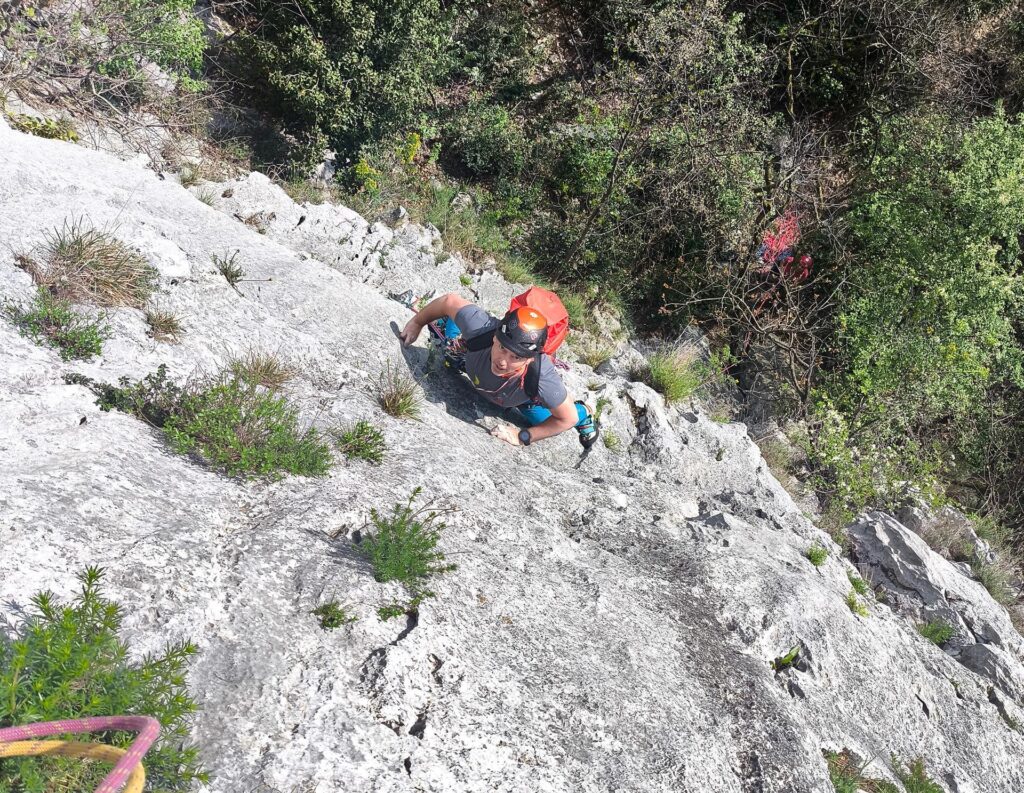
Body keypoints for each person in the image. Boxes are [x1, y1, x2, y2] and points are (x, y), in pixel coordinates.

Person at [398, 292, 599, 448]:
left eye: (516, 357)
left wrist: (522, 436)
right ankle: (457, 350)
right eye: (502, 348)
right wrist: (418, 322)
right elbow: (449, 302)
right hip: (473, 362)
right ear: (495, 336)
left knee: (544, 420)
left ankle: (586, 410)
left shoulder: (541, 377)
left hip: (522, 400)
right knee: (457, 333)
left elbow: (567, 418)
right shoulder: (483, 329)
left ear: (530, 359)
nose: (503, 361)